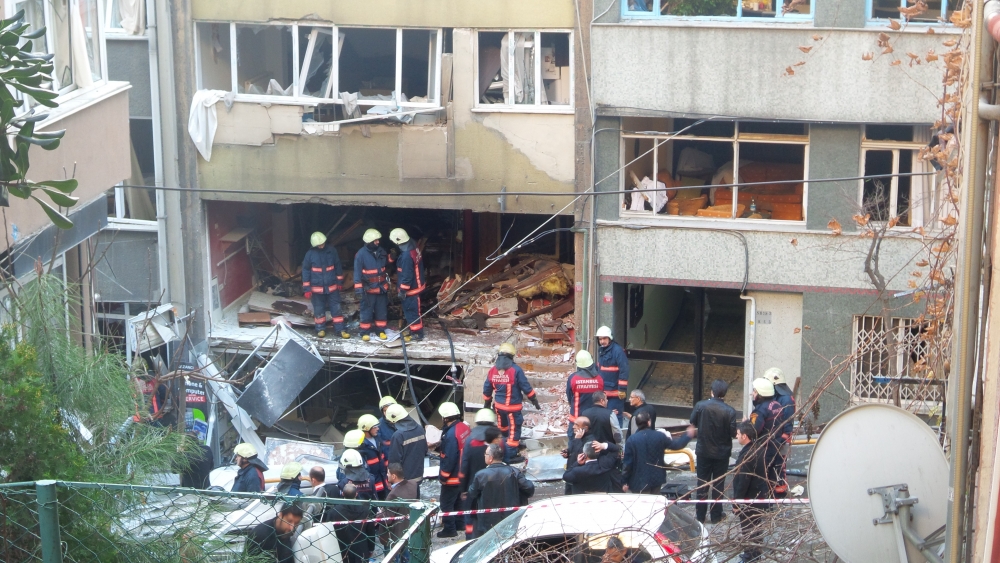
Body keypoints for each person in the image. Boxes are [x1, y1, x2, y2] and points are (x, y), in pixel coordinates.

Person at [689, 379, 739, 523]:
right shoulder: (730, 411)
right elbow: (732, 432)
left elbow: (693, 421)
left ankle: (700, 515)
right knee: (718, 484)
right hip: (722, 453)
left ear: (712, 391)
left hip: (703, 451)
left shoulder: (701, 406)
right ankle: (716, 515)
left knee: (702, 483)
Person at [483, 342, 540, 461]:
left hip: (499, 407)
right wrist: (534, 400)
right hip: (512, 409)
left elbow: (487, 389)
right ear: (511, 356)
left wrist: (487, 403)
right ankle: (511, 454)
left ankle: (502, 449)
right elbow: (526, 387)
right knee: (514, 431)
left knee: (503, 429)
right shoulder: (516, 370)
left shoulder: (492, 370)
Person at [465, 443, 535, 538]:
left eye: (485, 454)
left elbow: (472, 493)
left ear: (491, 458)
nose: (484, 456)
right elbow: (529, 488)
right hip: (511, 519)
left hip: (488, 522)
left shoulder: (481, 475)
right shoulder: (514, 472)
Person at [622, 411, 693, 495]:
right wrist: (688, 435)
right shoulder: (659, 436)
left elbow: (627, 464)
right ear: (649, 422)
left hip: (639, 481)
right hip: (656, 478)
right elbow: (677, 445)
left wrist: (624, 481)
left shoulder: (632, 440)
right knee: (655, 503)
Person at [461, 411, 507, 539]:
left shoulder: (470, 441)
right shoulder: (499, 441)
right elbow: (506, 463)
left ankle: (470, 539)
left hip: (473, 486)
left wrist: (463, 489)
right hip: (495, 486)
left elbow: (464, 466)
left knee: (470, 515)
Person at [731, 421, 772, 563]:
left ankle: (750, 557)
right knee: (756, 528)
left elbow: (743, 481)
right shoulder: (757, 448)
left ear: (745, 436)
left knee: (749, 529)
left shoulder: (748, 455)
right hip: (759, 496)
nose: (736, 436)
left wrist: (737, 502)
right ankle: (754, 555)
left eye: (738, 434)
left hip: (750, 499)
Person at [302, 231, 349, 339]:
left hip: (332, 287)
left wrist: (339, 281)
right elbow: (305, 271)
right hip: (317, 289)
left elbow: (337, 266)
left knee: (336, 309)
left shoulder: (332, 251)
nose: (321, 245)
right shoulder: (310, 254)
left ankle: (340, 329)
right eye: (319, 244)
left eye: (322, 243)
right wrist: (307, 288)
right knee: (319, 310)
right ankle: (320, 329)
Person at [436, 401, 470, 538]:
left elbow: (449, 457)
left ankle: (450, 529)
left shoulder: (450, 435)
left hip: (452, 476)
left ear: (445, 418)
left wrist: (443, 477)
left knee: (446, 504)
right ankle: (460, 523)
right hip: (463, 473)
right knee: (458, 501)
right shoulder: (464, 428)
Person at [748, 377, 784, 498]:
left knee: (763, 478)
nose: (753, 393)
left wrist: (746, 425)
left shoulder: (759, 411)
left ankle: (765, 504)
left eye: (754, 391)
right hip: (776, 445)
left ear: (759, 393)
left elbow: (754, 430)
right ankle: (774, 501)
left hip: (764, 448)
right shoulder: (777, 404)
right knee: (774, 476)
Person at [389, 228, 427, 342]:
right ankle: (414, 330)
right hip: (417, 284)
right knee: (413, 310)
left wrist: (403, 291)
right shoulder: (413, 244)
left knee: (411, 310)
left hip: (411, 288)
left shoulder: (406, 256)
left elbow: (407, 275)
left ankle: (417, 333)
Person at [354, 228, 390, 341]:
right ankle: (365, 332)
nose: (378, 242)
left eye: (378, 240)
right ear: (369, 241)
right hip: (368, 289)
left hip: (381, 288)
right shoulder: (360, 255)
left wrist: (392, 258)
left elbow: (386, 263)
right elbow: (357, 273)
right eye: (375, 241)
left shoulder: (381, 251)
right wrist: (359, 290)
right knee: (366, 311)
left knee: (381, 310)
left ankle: (381, 330)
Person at [765, 367, 796, 498]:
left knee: (779, 464)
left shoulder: (786, 399)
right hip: (774, 437)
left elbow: (787, 422)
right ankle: (774, 489)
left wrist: (783, 438)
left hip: (781, 437)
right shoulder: (779, 396)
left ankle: (780, 491)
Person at [379, 463, 419, 562]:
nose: (386, 475)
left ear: (394, 476)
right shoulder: (413, 484)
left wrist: (379, 514)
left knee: (392, 558)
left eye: (388, 473)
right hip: (410, 529)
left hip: (395, 535)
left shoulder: (393, 495)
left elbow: (387, 519)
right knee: (407, 557)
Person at [324, 483, 372, 563]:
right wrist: (371, 548)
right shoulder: (366, 510)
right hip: (361, 549)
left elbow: (328, 533)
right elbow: (370, 531)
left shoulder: (334, 512)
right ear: (356, 494)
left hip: (342, 550)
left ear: (342, 494)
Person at [386, 404, 428, 492]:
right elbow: (425, 451)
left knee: (404, 504)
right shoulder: (420, 429)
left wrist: (391, 478)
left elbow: (394, 461)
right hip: (418, 476)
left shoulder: (398, 435)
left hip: (403, 481)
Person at [595, 326, 630, 425]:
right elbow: (600, 367)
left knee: (615, 417)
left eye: (604, 338)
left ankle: (618, 439)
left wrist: (622, 389)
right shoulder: (602, 350)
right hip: (604, 392)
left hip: (615, 394)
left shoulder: (618, 351)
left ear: (610, 338)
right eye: (600, 339)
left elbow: (624, 370)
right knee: (605, 418)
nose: (602, 341)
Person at [566, 350, 603, 437]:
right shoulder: (599, 379)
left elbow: (569, 396)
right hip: (594, 420)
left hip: (577, 419)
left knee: (574, 443)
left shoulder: (573, 379)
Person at [357, 414, 390, 499]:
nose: (378, 429)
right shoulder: (361, 445)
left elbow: (384, 457)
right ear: (367, 428)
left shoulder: (377, 438)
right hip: (372, 484)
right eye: (375, 427)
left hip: (383, 481)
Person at [377, 396, 398, 461]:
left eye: (389, 409)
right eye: (385, 410)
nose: (387, 412)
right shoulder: (378, 425)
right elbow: (381, 447)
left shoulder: (404, 421)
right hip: (391, 462)